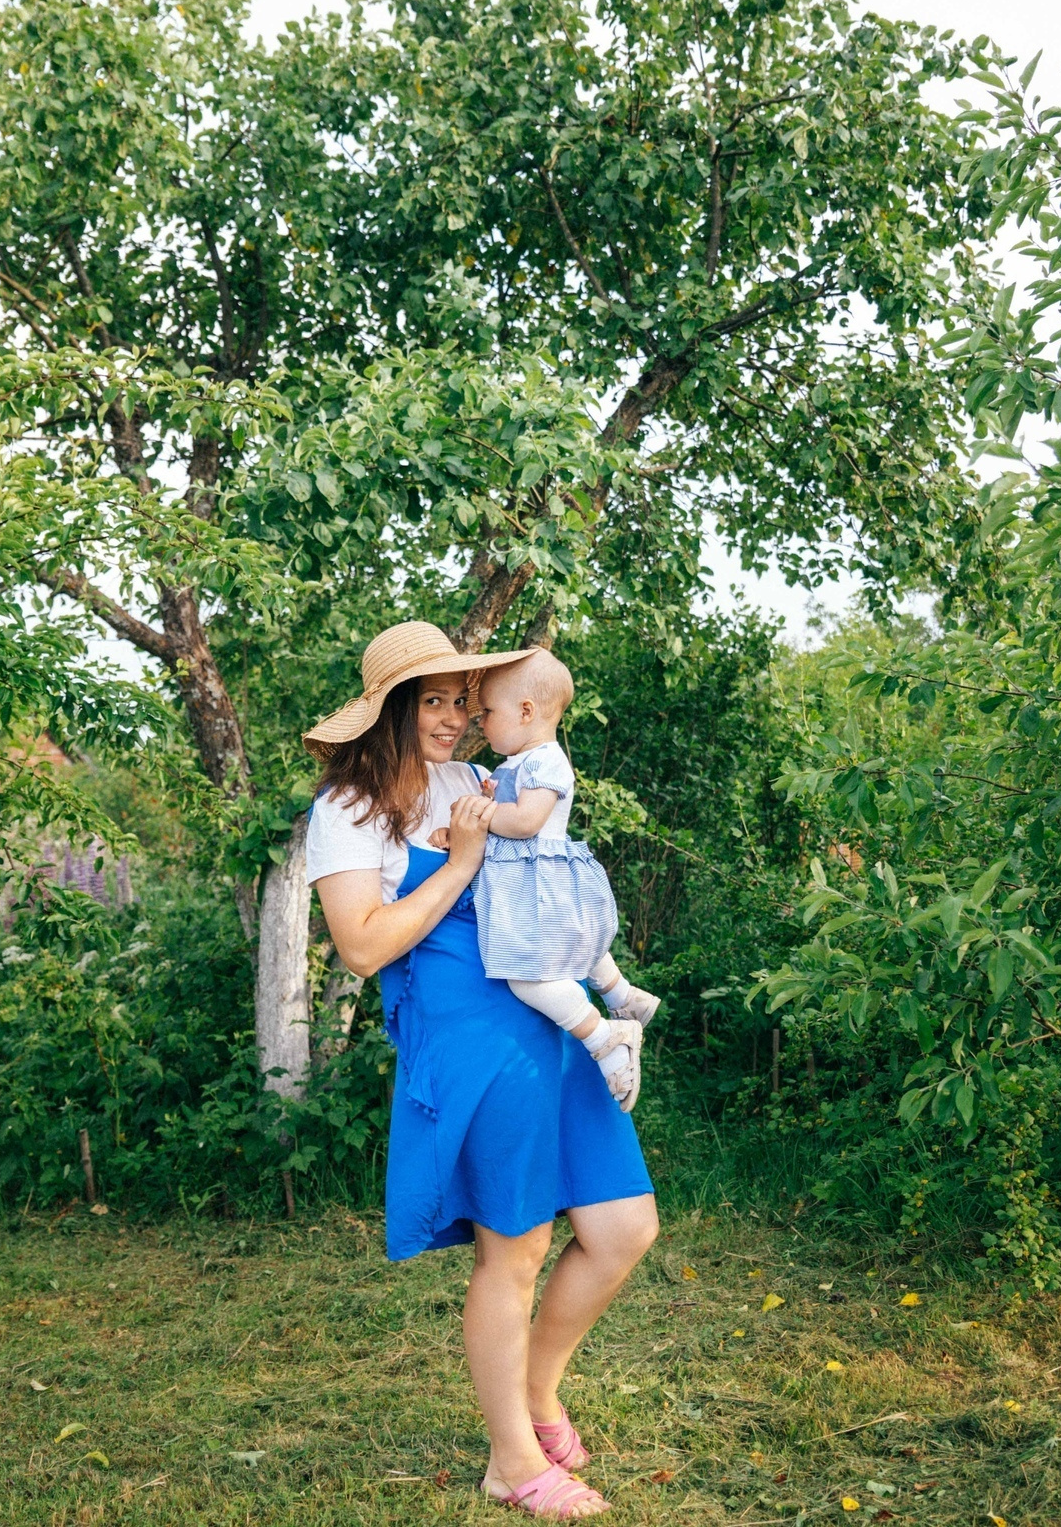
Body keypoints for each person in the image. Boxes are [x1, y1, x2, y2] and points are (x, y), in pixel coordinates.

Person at [307, 621, 658, 1520]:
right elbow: (360, 945)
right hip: (469, 1028)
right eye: (436, 699)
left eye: (464, 698)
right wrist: (460, 863)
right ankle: (511, 1458)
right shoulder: (345, 809)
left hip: (548, 1007)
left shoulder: (476, 777)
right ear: (392, 708)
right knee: (519, 1243)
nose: (457, 716)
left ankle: (538, 1392)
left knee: (622, 1226)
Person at [468, 649, 660, 1110]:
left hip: (535, 879)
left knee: (526, 979)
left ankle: (604, 1037)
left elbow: (526, 822)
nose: (480, 723)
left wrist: (484, 813)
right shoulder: (519, 762)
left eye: (488, 712)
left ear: (526, 711)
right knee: (574, 942)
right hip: (527, 879)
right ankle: (623, 996)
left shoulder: (546, 761)